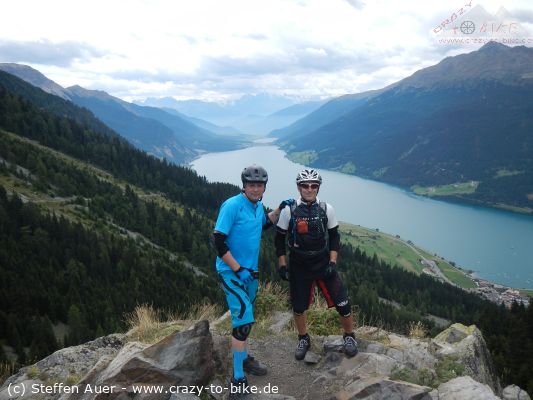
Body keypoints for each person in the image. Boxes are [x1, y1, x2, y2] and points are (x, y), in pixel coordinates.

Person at [213, 164, 294, 394]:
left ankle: (245, 358)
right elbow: (218, 241)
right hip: (232, 272)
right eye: (252, 185)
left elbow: (263, 223)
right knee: (243, 321)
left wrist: (278, 209)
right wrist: (238, 269)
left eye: (260, 185)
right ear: (244, 185)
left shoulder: (257, 206)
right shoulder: (232, 206)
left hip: (251, 273)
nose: (256, 189)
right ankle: (237, 379)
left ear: (264, 187)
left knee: (246, 318)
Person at [275, 168, 358, 360]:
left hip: (323, 263)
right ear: (298, 187)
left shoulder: (327, 209)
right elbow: (279, 240)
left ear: (318, 188)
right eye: (305, 185)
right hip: (299, 264)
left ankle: (349, 336)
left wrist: (333, 262)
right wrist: (282, 265)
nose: (309, 189)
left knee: (343, 302)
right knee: (298, 306)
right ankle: (303, 338)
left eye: (314, 186)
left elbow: (334, 237)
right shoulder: (289, 210)